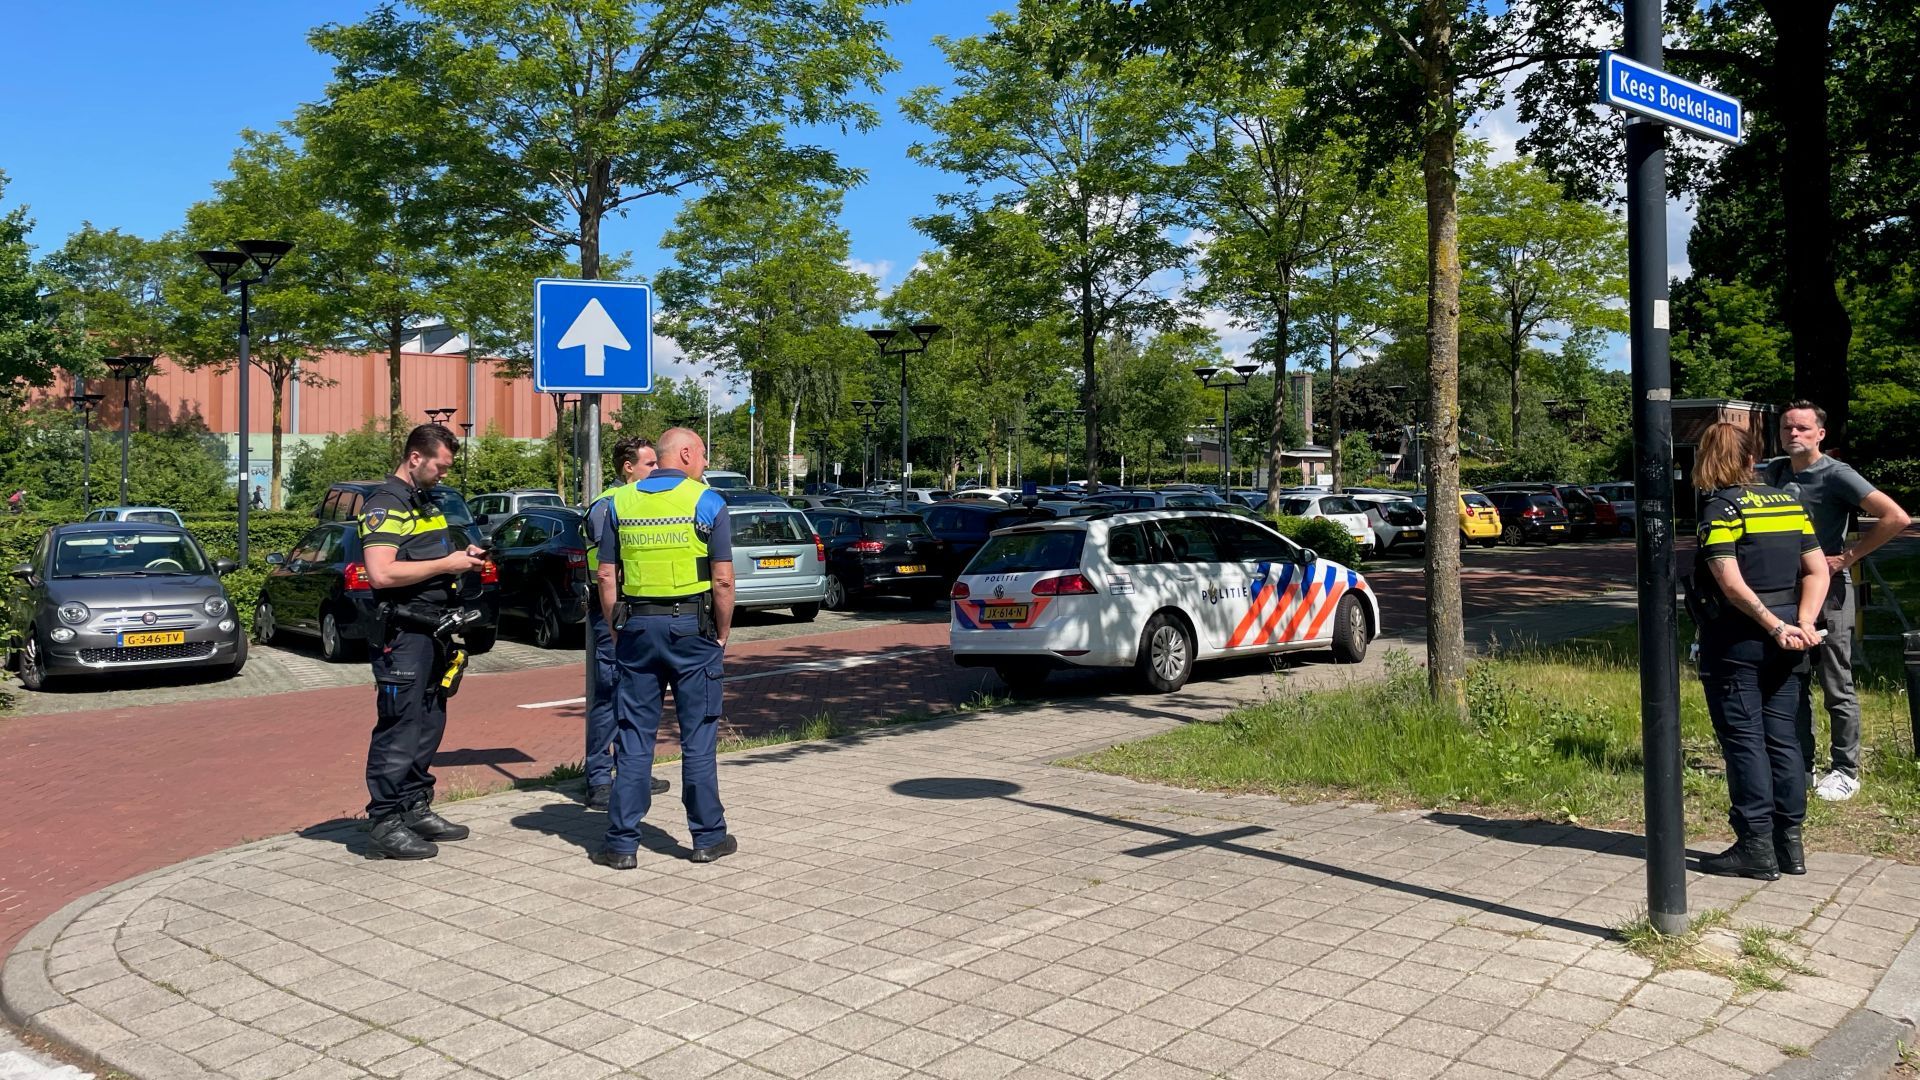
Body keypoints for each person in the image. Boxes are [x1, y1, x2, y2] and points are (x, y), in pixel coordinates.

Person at [588, 427, 737, 869]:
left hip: (636, 628)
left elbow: (606, 575)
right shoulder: (707, 501)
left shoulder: (620, 502)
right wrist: (723, 632)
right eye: (703, 455)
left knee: (634, 737)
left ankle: (621, 845)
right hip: (693, 630)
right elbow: (723, 580)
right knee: (698, 737)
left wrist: (616, 629)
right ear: (686, 454)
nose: (706, 463)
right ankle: (707, 838)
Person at [1689, 421, 1828, 880]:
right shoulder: (1789, 502)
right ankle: (1790, 845)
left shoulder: (1720, 508)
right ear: (1753, 458)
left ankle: (1755, 846)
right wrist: (1802, 622)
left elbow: (1729, 582)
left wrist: (1772, 626)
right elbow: (1817, 570)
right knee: (1783, 738)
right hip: (1790, 637)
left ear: (1707, 460)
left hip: (1739, 640)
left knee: (1744, 739)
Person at [1765, 401, 1912, 802]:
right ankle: (1800, 764)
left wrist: (1847, 558)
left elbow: (1895, 517)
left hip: (1829, 590)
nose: (1793, 434)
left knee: (1834, 679)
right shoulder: (1775, 472)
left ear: (1820, 434)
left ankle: (1846, 769)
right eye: (1787, 428)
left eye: (1802, 428)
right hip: (1785, 590)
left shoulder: (1836, 474)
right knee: (1790, 679)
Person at [357, 424, 489, 860]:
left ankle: (414, 806)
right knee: (400, 726)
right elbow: (382, 573)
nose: (443, 474)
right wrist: (447, 563)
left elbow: (428, 559)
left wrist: (463, 561)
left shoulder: (423, 501)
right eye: (440, 466)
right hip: (403, 635)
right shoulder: (385, 504)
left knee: (429, 721)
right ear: (415, 457)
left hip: (433, 630)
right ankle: (384, 822)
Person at [581, 435, 669, 811]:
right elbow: (608, 569)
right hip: (612, 613)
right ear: (628, 467)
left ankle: (631, 771)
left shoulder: (642, 502)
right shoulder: (608, 505)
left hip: (640, 611)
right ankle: (600, 779)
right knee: (608, 694)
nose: (657, 470)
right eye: (650, 464)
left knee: (634, 694)